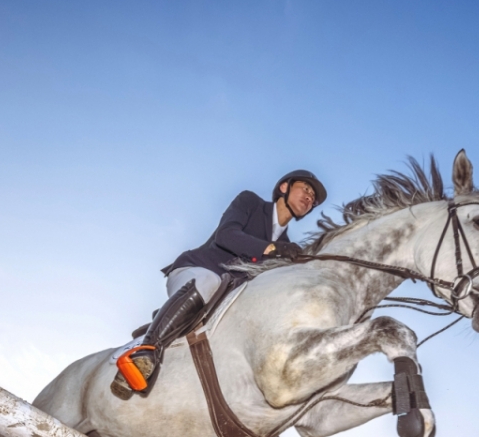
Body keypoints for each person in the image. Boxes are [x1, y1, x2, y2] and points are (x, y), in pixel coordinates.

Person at [111, 169, 327, 416]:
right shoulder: (250, 203)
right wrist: (271, 249)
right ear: (284, 188)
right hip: (197, 271)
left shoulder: (287, 248)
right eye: (306, 189)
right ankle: (146, 352)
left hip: (227, 298)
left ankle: (259, 413)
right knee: (209, 281)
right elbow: (227, 236)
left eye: (314, 198)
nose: (310, 198)